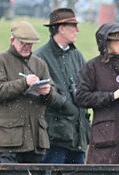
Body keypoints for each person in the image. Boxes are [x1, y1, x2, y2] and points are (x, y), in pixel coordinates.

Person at [75, 22, 119, 164]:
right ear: (106, 43)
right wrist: (111, 96)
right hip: (105, 143)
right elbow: (80, 97)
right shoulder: (92, 67)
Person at [0, 21, 56, 164]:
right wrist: (24, 83)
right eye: (23, 43)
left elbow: (54, 97)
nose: (27, 47)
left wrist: (47, 92)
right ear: (12, 40)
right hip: (10, 141)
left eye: (30, 44)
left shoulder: (40, 64)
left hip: (37, 141)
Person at [34, 8, 91, 164]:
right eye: (73, 26)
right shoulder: (40, 57)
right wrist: (67, 105)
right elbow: (42, 93)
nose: (77, 30)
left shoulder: (77, 55)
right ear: (61, 28)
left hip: (78, 136)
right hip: (55, 137)